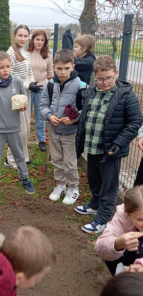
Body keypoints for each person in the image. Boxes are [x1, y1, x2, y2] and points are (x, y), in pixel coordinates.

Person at [75, 55, 143, 234]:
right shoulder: (90, 91)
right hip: (92, 146)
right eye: (100, 79)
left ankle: (103, 219)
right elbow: (85, 116)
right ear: (94, 76)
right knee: (94, 178)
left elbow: (135, 121)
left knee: (109, 184)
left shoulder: (126, 95)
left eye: (109, 78)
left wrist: (119, 143)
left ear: (116, 73)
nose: (104, 82)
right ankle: (95, 204)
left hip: (111, 150)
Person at [0, 51, 35, 200]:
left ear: (11, 66)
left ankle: (25, 178)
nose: (5, 70)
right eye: (1, 67)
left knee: (20, 155)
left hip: (14, 127)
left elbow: (22, 100)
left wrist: (23, 106)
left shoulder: (18, 82)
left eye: (8, 66)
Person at [40, 49, 87, 205]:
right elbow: (43, 106)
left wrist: (74, 119)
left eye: (67, 68)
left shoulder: (82, 87)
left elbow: (86, 110)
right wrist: (49, 116)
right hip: (54, 132)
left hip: (71, 133)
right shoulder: (50, 85)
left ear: (72, 67)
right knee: (57, 159)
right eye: (59, 68)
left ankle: (73, 187)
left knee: (70, 162)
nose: (63, 72)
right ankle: (60, 185)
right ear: (54, 67)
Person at [5, 24, 41, 170]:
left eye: (25, 36)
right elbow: (10, 76)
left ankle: (23, 156)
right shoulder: (11, 53)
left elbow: (29, 71)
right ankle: (11, 160)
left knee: (26, 127)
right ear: (15, 36)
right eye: (20, 35)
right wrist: (28, 85)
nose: (23, 38)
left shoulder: (25, 52)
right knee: (19, 129)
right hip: (15, 94)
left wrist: (32, 83)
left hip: (25, 93)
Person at [95, 186, 143, 276]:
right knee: (115, 247)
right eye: (140, 219)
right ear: (127, 214)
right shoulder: (121, 218)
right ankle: (123, 279)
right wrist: (118, 243)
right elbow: (100, 248)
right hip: (129, 264)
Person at [27, 29, 53, 152]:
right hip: (27, 88)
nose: (40, 42)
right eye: (37, 39)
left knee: (40, 116)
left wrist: (50, 88)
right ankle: (23, 138)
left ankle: (41, 140)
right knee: (25, 115)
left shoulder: (47, 55)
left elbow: (50, 74)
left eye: (42, 40)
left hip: (41, 90)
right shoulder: (26, 53)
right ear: (32, 40)